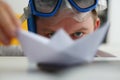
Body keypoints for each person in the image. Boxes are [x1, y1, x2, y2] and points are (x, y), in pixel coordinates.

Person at [0, 0, 114, 57]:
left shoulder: (110, 63)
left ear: (95, 29)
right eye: (52, 35)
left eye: (78, 34)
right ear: (33, 32)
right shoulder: (16, 57)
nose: (66, 49)